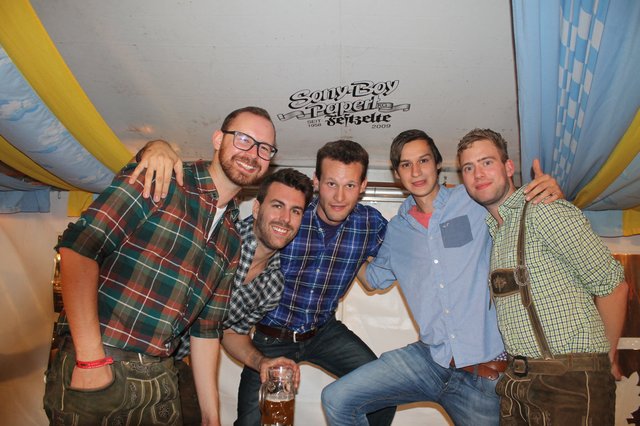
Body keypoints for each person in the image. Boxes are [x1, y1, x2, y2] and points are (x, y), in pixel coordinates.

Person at [43, 106, 276, 425]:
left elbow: (207, 331)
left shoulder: (231, 238)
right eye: (244, 139)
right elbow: (79, 249)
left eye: (265, 148)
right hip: (101, 362)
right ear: (218, 139)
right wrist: (90, 359)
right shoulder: (164, 177)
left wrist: (211, 417)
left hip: (160, 379)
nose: (253, 153)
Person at [144, 139, 395, 425]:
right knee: (250, 422)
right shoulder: (289, 216)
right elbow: (219, 202)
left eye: (349, 185)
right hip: (272, 335)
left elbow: (405, 250)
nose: (339, 196)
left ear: (363, 186)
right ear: (316, 182)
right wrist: (159, 147)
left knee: (382, 388)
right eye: (331, 184)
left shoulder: (369, 224)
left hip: (324, 330)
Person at [321, 129, 563, 426]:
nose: (416, 171)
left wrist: (548, 190)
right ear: (397, 174)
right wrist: (343, 243)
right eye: (406, 164)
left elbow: (513, 203)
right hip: (429, 360)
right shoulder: (397, 230)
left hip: (484, 377)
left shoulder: (473, 200)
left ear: (438, 164)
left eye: (423, 160)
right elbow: (373, 279)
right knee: (337, 398)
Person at [457, 128, 628, 425]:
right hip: (518, 384)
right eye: (468, 168)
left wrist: (606, 358)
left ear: (509, 167)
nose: (478, 174)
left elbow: (613, 285)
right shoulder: (496, 231)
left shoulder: (543, 210)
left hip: (569, 382)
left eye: (487, 162)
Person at [174, 168, 314, 425]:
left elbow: (230, 333)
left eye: (295, 211)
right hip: (128, 350)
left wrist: (262, 362)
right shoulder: (218, 239)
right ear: (257, 208)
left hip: (173, 366)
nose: (285, 219)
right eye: (277, 206)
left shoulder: (273, 286)